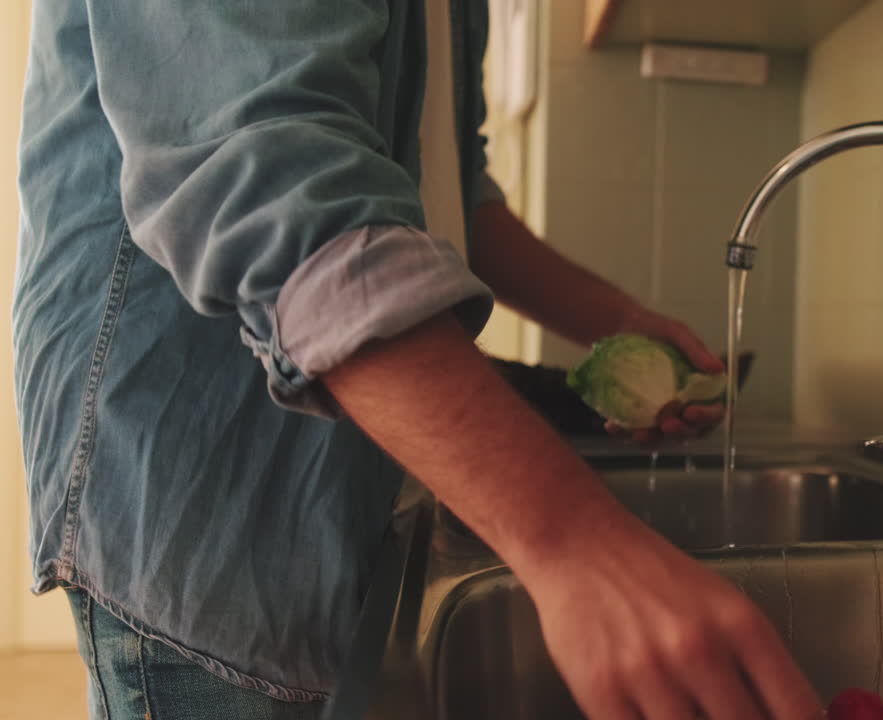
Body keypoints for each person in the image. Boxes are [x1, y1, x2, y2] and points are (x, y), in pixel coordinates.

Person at [15, 1, 823, 718]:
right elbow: (266, 170)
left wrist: (619, 320)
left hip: (334, 464)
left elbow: (456, 192)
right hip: (197, 462)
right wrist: (576, 540)